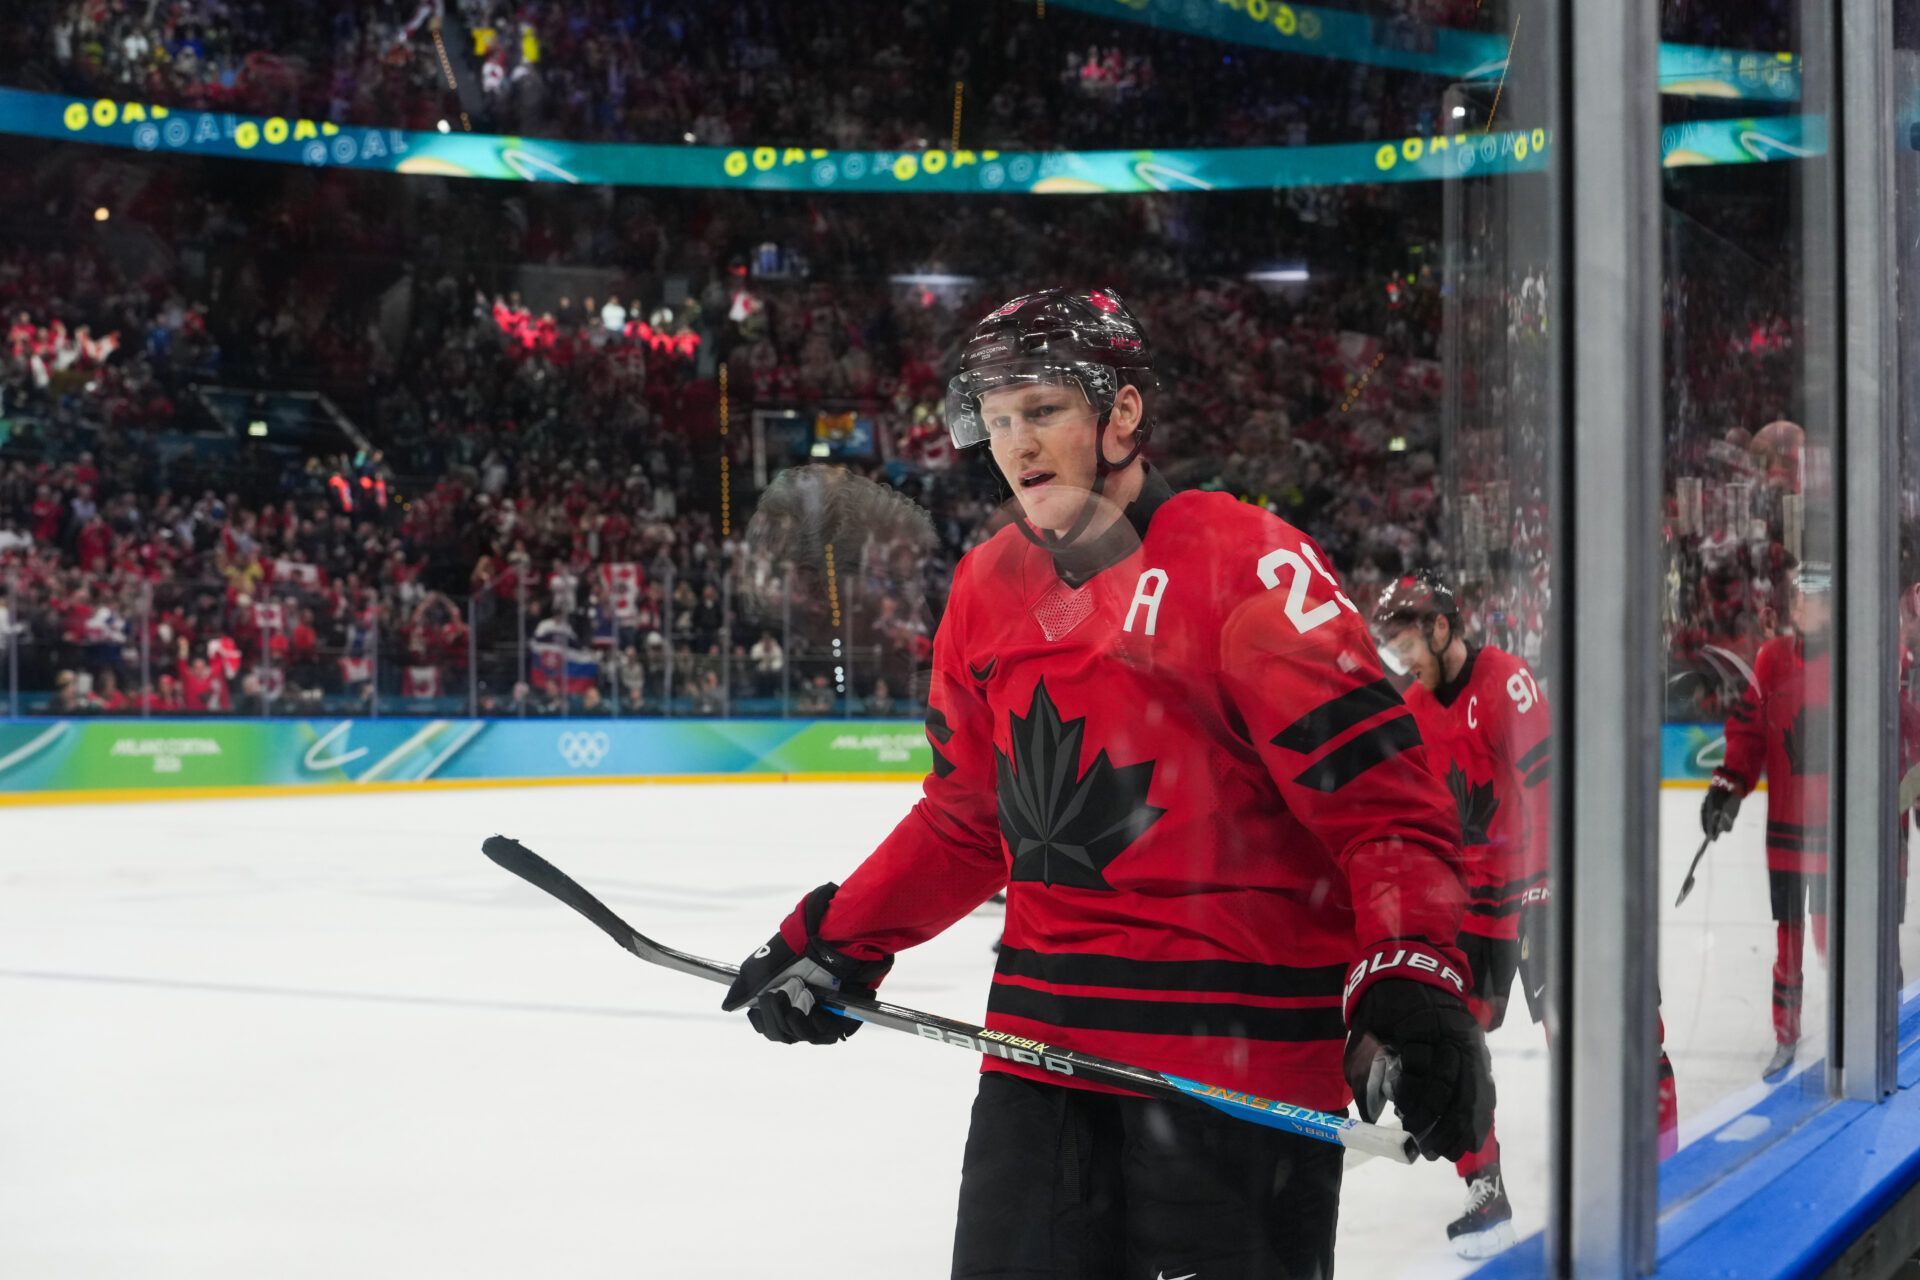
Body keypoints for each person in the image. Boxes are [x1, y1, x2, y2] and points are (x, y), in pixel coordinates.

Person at [722, 288, 1493, 1279]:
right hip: (1040, 1061)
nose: (1015, 444)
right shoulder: (986, 586)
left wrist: (1411, 974)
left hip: (1235, 1072)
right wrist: (836, 937)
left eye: (1040, 409)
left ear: (1120, 412)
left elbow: (1384, 805)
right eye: (996, 420)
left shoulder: (1248, 563)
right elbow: (967, 819)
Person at [1703, 560, 1831, 1081]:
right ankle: (1786, 1033)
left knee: (1833, 935)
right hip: (1786, 834)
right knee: (1790, 937)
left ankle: (1859, 1021)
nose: (1799, 607)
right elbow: (1749, 735)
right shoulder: (1773, 659)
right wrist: (1726, 787)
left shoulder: (1852, 661)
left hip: (1839, 834)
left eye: (1811, 599)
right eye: (1796, 598)